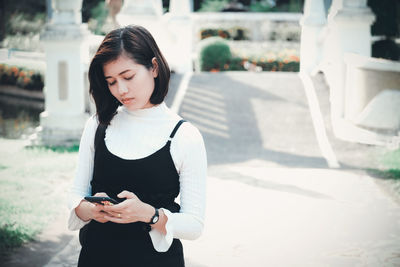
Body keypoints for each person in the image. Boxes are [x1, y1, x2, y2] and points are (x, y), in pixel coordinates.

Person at [68, 25, 207, 266]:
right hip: (96, 257)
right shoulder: (98, 126)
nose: (121, 89)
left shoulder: (184, 136)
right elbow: (76, 197)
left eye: (128, 77)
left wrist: (148, 214)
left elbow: (194, 225)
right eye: (111, 81)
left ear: (153, 67)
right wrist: (89, 210)